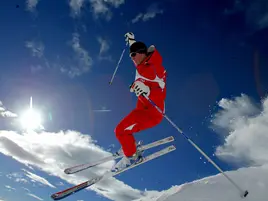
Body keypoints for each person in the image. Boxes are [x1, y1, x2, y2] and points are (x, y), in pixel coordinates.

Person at [114, 32, 167, 167]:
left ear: (142, 53)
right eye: (130, 55)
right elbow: (136, 52)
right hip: (141, 109)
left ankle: (132, 157)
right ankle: (129, 146)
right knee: (121, 130)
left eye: (133, 55)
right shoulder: (141, 63)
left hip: (152, 113)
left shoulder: (155, 69)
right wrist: (132, 41)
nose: (132, 58)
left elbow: (161, 86)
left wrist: (148, 91)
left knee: (120, 131)